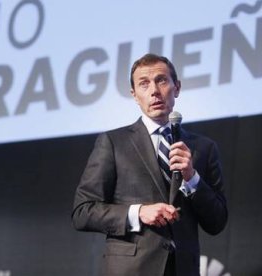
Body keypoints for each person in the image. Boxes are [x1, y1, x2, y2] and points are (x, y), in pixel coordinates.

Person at [71, 53, 228, 276]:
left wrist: (192, 177)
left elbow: (217, 221)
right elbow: (83, 212)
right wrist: (138, 212)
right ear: (134, 95)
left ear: (177, 88)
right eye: (144, 84)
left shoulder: (203, 148)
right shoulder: (113, 143)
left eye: (162, 80)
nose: (154, 90)